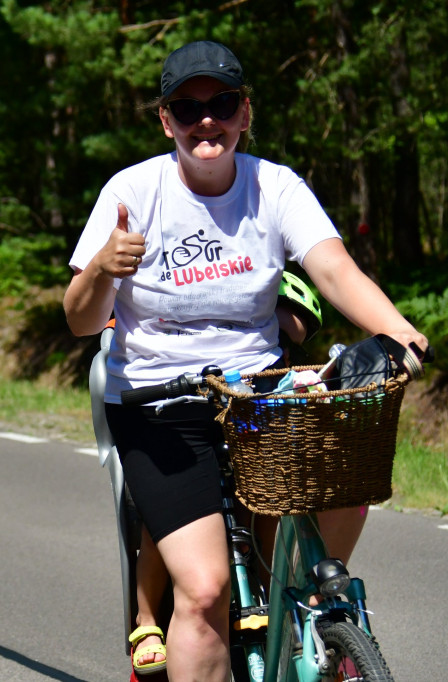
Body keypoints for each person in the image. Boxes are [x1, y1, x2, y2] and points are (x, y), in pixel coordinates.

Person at [63, 41, 427, 681]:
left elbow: (335, 271)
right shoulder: (132, 191)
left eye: (222, 103)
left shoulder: (275, 186)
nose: (207, 121)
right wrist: (103, 268)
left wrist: (400, 333)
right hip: (160, 404)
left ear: (245, 113)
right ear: (166, 120)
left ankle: (313, 627)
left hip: (256, 398)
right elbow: (82, 320)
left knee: (338, 498)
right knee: (204, 592)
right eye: (188, 107)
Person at [125, 271, 322, 677]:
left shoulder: (279, 368)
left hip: (252, 435)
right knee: (164, 520)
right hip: (188, 420)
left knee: (273, 503)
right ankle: (146, 622)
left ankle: (273, 595)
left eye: (286, 346)